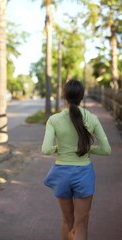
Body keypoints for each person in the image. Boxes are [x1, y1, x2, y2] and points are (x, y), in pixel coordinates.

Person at [42, 79, 111, 240]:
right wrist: (87, 149)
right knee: (81, 225)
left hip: (61, 174)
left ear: (64, 96)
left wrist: (58, 148)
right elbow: (106, 150)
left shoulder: (54, 119)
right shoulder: (92, 118)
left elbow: (45, 150)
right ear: (82, 96)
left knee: (67, 220)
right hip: (83, 174)